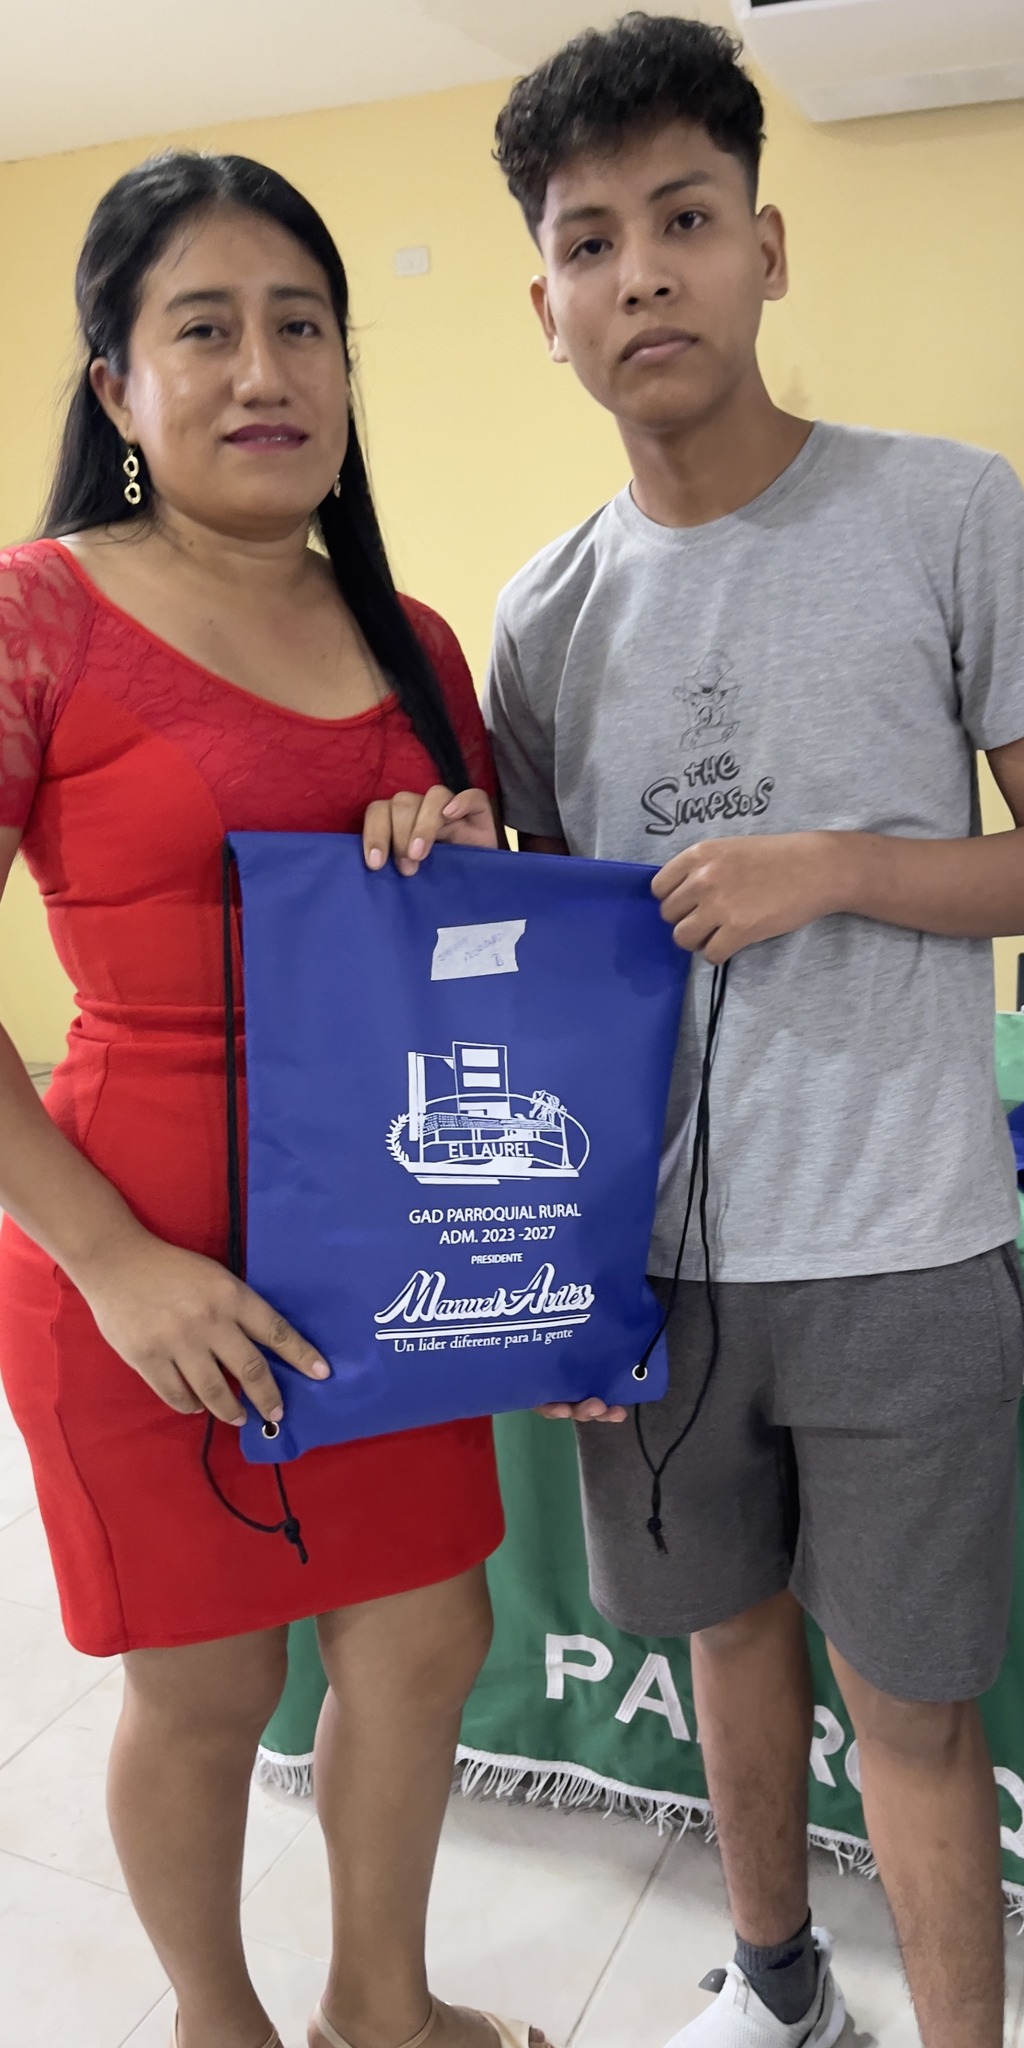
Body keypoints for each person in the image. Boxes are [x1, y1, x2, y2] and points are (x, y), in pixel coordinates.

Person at [486, 17, 1024, 2048]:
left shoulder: (942, 510)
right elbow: (542, 972)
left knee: (914, 1709)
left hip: (901, 1239)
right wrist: (555, 1277)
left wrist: (838, 865)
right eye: (591, 242)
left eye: (686, 219)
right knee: (723, 1640)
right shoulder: (539, 617)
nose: (643, 274)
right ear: (544, 306)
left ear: (767, 248)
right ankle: (779, 1990)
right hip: (656, 1272)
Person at [0, 152, 550, 2048]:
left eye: (302, 325)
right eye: (207, 329)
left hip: (389, 1236)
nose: (265, 370)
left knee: (425, 1636)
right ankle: (214, 2024)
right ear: (117, 386)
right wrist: (113, 1265)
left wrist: (454, 879)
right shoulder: (37, 613)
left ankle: (381, 2007)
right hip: (138, 1253)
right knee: (208, 1684)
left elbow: (491, 971)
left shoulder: (416, 643)